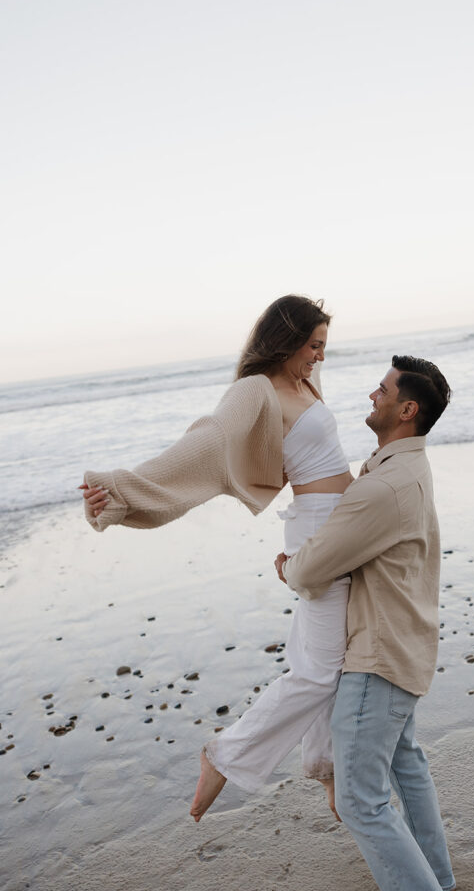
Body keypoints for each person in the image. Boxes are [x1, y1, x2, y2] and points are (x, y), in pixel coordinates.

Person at [79, 294, 353, 821]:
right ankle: (224, 754)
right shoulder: (255, 390)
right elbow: (205, 446)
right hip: (321, 533)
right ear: (287, 338)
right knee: (322, 671)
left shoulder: (304, 384)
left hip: (344, 528)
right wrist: (117, 491)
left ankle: (327, 766)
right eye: (314, 345)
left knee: (327, 659)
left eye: (323, 347)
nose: (320, 356)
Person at [278, 355, 456, 891]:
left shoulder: (383, 487)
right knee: (407, 767)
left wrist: (288, 567)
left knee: (360, 800)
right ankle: (440, 880)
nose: (371, 396)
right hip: (406, 648)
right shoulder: (403, 469)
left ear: (407, 409)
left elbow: (311, 569)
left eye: (381, 390)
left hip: (376, 659)